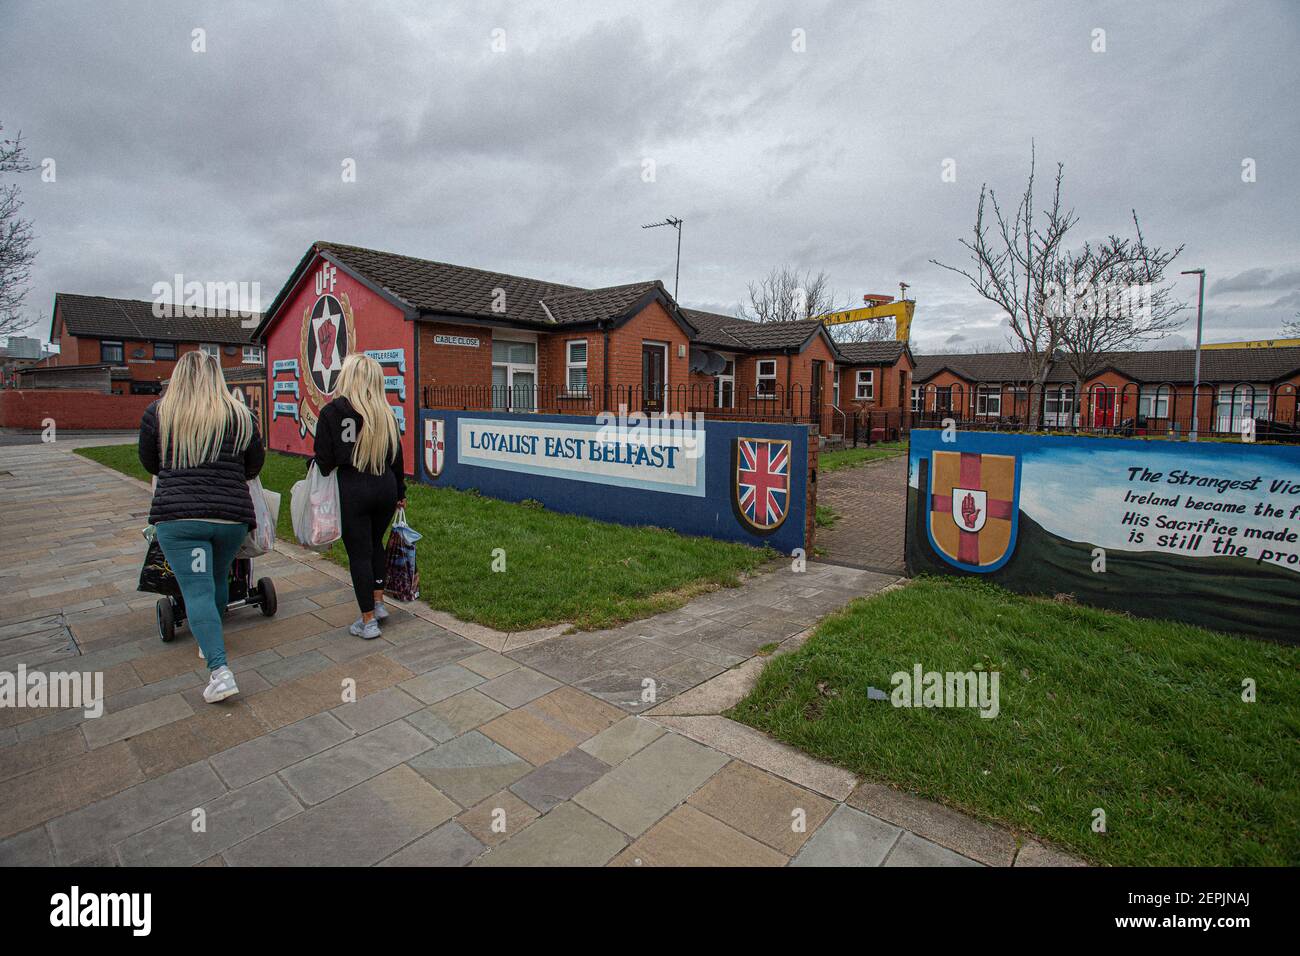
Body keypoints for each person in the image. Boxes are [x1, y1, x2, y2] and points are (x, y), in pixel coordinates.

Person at [138, 349, 264, 703]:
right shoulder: (241, 416)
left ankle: (220, 671)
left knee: (195, 590)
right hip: (230, 519)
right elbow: (252, 466)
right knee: (217, 578)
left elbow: (150, 461)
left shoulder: (159, 414)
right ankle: (211, 639)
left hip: (181, 521)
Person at [313, 353, 406, 639]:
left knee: (359, 554)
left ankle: (367, 622)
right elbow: (397, 458)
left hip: (353, 489)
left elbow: (324, 461)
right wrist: (400, 493)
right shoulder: (386, 413)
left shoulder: (331, 412)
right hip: (385, 487)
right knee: (375, 544)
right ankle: (378, 603)